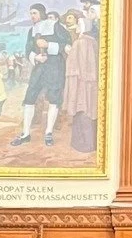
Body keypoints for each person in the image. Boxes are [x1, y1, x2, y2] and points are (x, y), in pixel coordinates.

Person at [13, 10, 70, 147]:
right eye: (30, 13)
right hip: (39, 67)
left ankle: (48, 133)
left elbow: (67, 45)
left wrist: (48, 46)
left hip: (55, 67)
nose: (32, 16)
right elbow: (28, 50)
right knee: (29, 98)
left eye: (35, 13)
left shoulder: (55, 26)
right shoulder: (32, 30)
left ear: (42, 14)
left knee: (54, 99)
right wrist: (35, 57)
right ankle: (26, 133)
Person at [60, 10, 99, 155]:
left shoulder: (82, 42)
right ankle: (83, 143)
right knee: (85, 111)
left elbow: (80, 65)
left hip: (82, 82)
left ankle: (84, 144)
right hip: (86, 82)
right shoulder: (90, 41)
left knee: (83, 111)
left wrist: (69, 52)